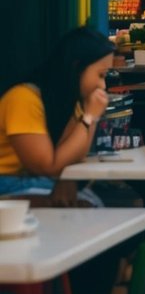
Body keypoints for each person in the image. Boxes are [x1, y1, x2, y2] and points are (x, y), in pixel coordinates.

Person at [0, 28, 112, 200]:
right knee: (88, 204)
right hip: (9, 182)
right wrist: (89, 117)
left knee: (90, 202)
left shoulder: (69, 101)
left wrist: (92, 116)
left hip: (34, 181)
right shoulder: (23, 99)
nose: (103, 86)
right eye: (101, 75)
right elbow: (48, 167)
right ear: (76, 67)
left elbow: (74, 156)